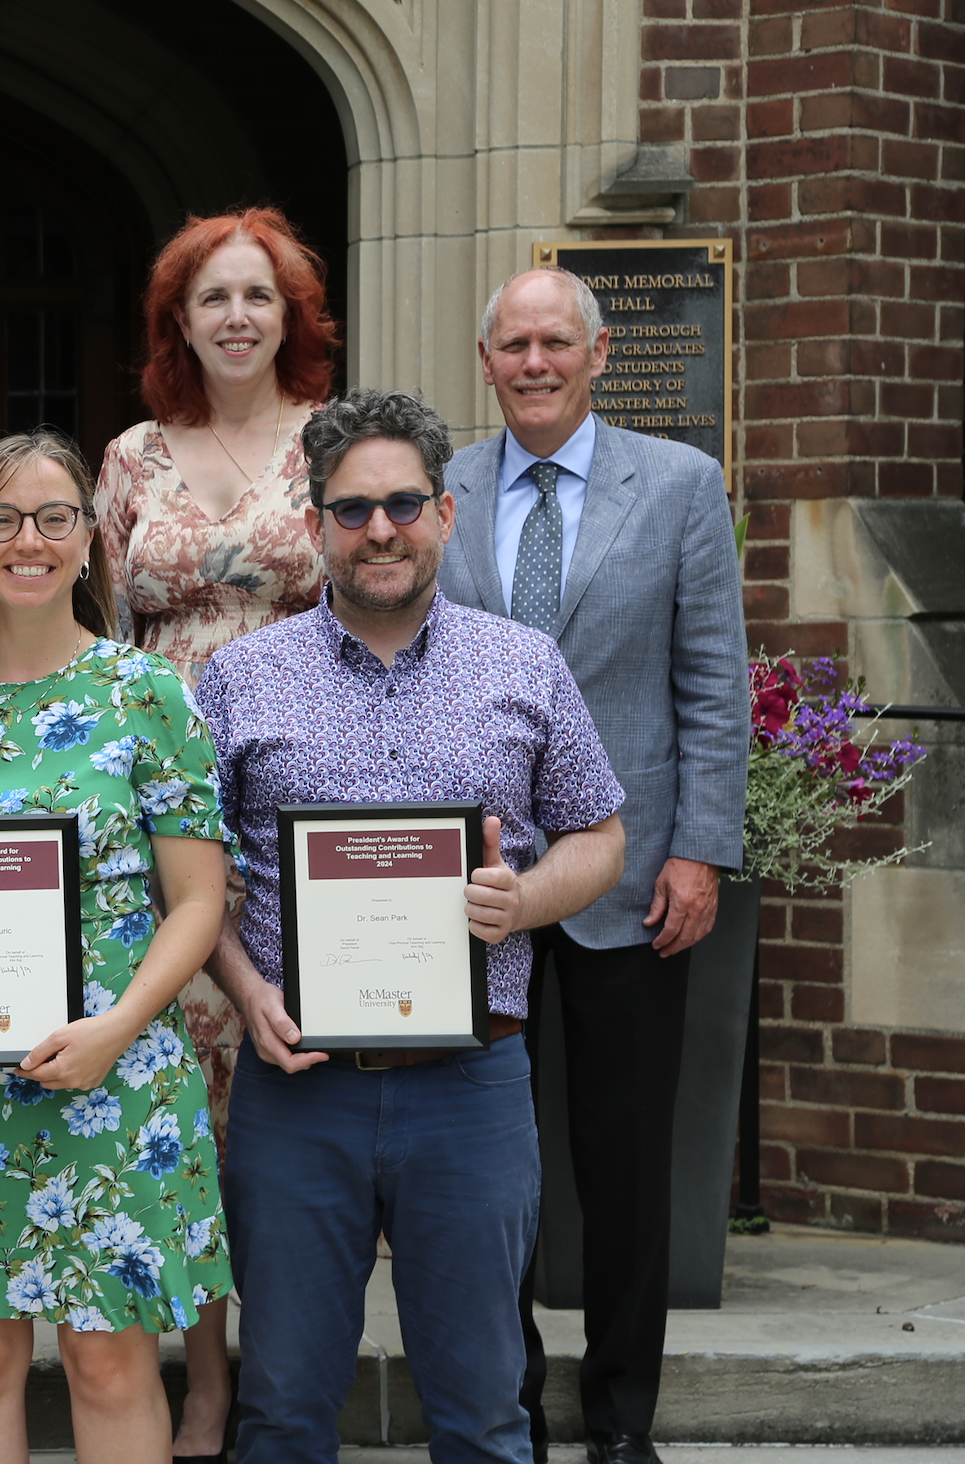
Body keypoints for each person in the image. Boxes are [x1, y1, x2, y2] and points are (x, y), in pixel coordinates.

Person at [191, 387, 628, 1463]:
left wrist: (522, 901)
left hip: (470, 1090)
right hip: (300, 1089)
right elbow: (192, 880)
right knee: (283, 1409)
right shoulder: (240, 679)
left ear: (442, 514)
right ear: (313, 528)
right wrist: (247, 996)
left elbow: (598, 837)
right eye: (349, 510)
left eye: (400, 503)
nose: (377, 529)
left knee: (481, 1409)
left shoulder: (520, 664)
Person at [0, 431, 234, 1464]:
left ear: (87, 539)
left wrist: (113, 1029)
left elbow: (197, 901)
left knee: (109, 1364)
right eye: (2, 519)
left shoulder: (148, 695)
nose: (29, 540)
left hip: (117, 1068)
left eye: (53, 517)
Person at [440, 267, 748, 1464]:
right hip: (473, 896)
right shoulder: (442, 491)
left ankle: (621, 1415)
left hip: (630, 888)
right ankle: (501, 1398)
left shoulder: (676, 486)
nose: (532, 362)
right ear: (485, 363)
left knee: (623, 1165)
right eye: (511, 343)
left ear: (598, 352)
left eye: (553, 342)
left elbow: (710, 683)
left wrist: (698, 851)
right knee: (484, 1168)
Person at [93, 206, 339, 1463]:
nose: (235, 317)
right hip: (158, 802)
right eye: (211, 299)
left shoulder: (334, 443)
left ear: (290, 312)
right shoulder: (131, 455)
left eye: (257, 295)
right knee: (180, 1089)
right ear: (176, 322)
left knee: (284, 1083)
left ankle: (286, 1362)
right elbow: (98, 630)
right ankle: (199, 1377)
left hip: (302, 786)